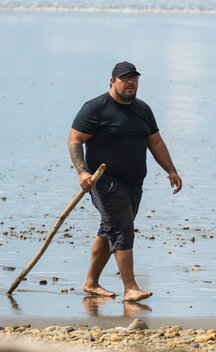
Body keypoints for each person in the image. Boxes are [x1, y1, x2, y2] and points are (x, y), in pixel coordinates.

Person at [68, 61, 182, 302]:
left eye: (134, 78)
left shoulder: (143, 109)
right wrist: (82, 172)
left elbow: (156, 143)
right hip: (105, 181)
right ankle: (130, 288)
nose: (130, 82)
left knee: (109, 229)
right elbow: (75, 139)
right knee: (122, 230)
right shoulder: (96, 108)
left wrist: (171, 170)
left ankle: (91, 282)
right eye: (124, 78)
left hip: (133, 184)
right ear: (112, 81)